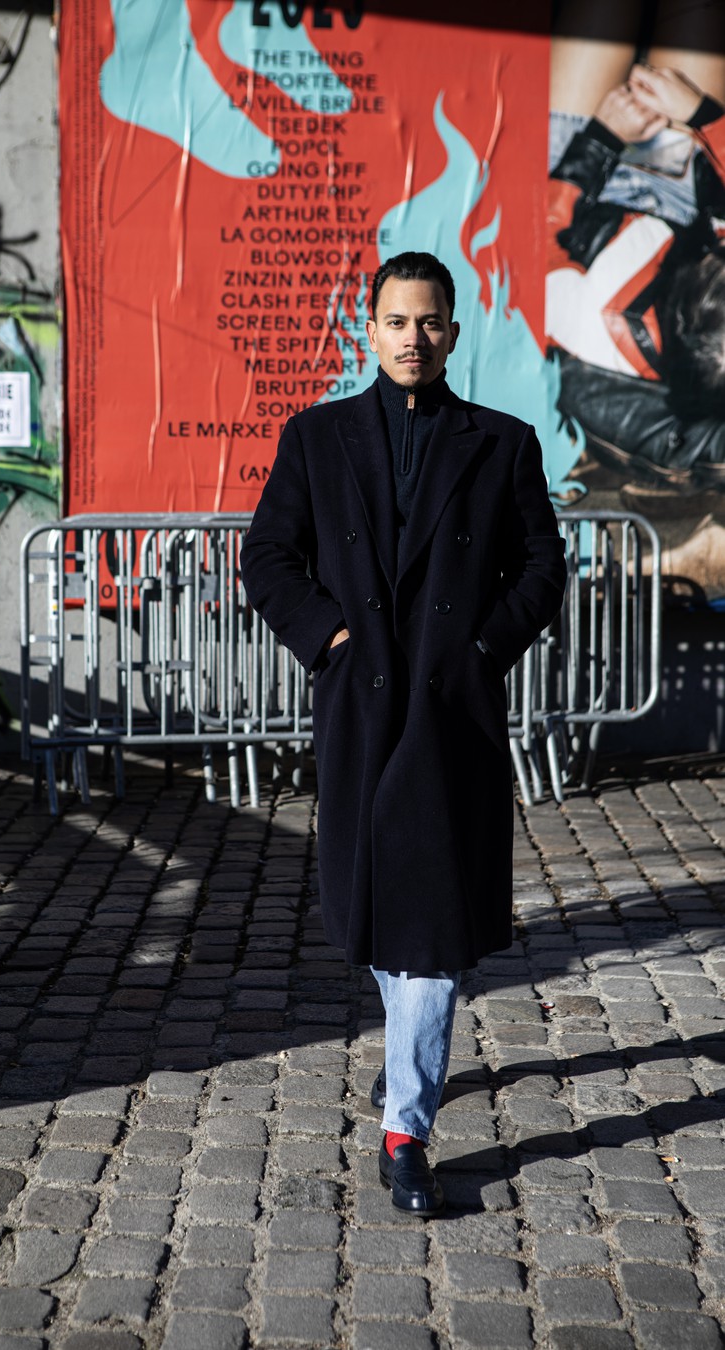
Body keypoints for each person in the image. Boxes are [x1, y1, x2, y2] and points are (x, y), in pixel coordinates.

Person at [240, 252, 566, 1215]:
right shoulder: (318, 437)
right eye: (396, 321)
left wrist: (483, 648)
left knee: (425, 929)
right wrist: (331, 639)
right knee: (382, 914)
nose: (413, 338)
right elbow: (269, 556)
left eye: (429, 322)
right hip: (360, 706)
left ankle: (405, 1131)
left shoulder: (501, 443)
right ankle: (410, 1059)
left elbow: (542, 565)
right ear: (369, 328)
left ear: (454, 332)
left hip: (451, 711)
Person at [547, 63, 725, 486]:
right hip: (683, 190)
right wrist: (703, 115)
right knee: (679, 61)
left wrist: (601, 137)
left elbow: (537, 234)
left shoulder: (578, 324)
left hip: (576, 176)